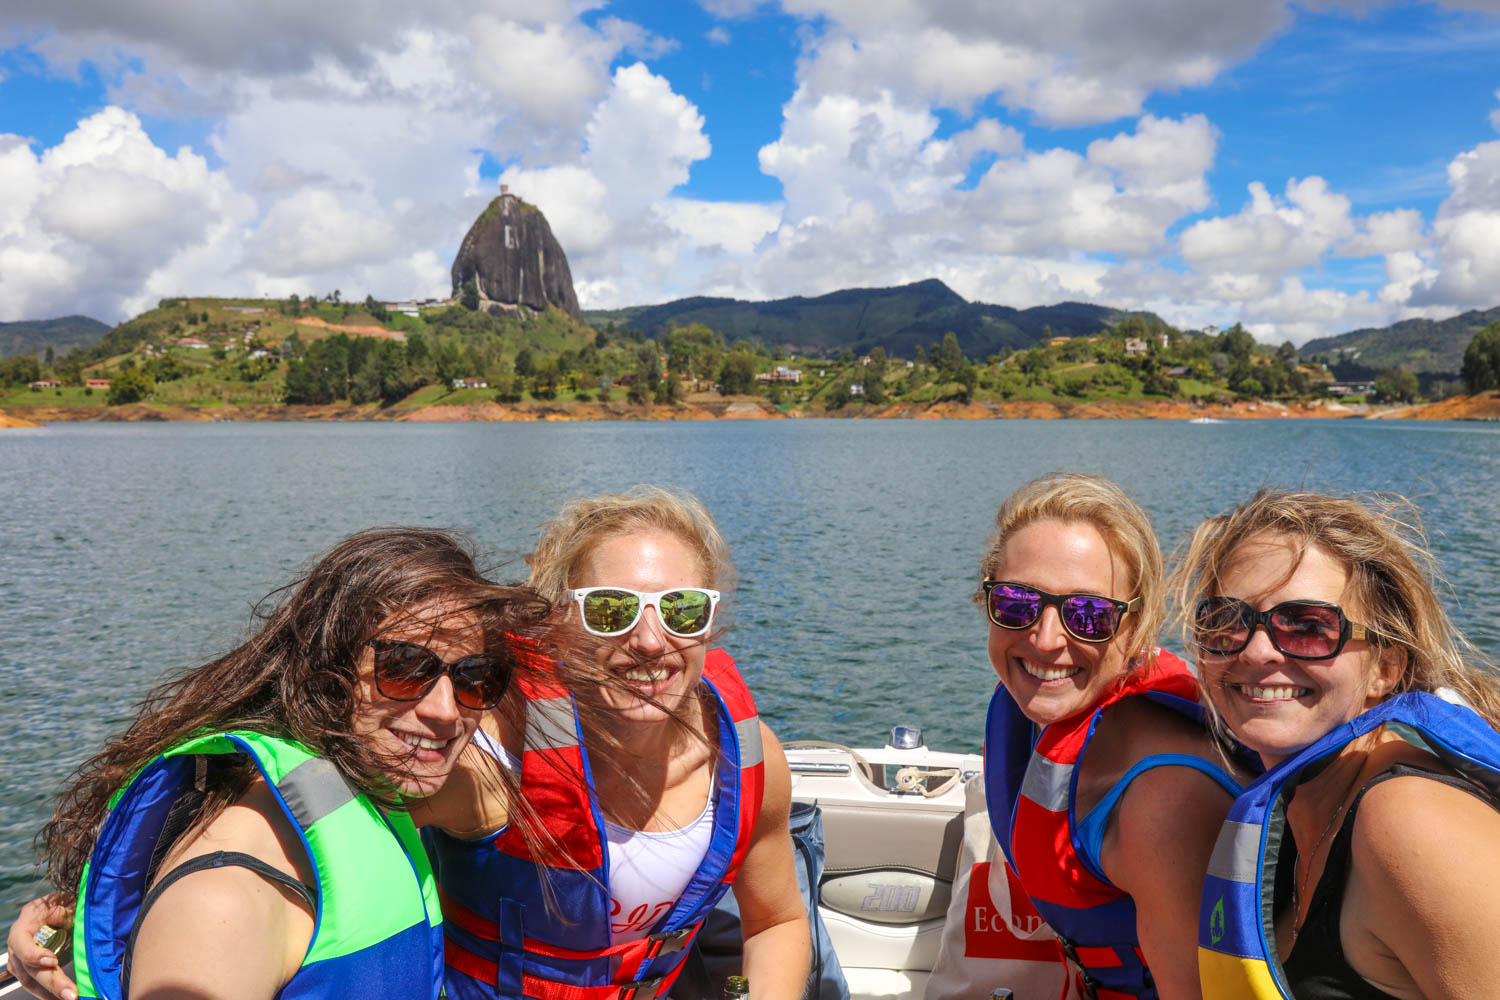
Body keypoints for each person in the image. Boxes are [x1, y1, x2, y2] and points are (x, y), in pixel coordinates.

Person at [6, 526, 578, 1000]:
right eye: (405, 668)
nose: (446, 711)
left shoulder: (354, 788)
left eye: (477, 679)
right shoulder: (226, 896)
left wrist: (61, 914)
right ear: (327, 673)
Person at [414, 485, 811, 1000]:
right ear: (558, 622)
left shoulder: (749, 760)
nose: (650, 639)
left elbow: (774, 922)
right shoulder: (487, 765)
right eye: (610, 610)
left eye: (682, 610)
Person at [1180, 489, 1500, 999]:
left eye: (1309, 626)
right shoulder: (1298, 801)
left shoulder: (1411, 822)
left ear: (1386, 668)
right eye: (1225, 622)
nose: (1258, 651)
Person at [978, 473, 1246, 999]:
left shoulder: (1164, 801)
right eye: (1016, 602)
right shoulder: (1038, 718)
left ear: (1137, 627)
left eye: (1089, 615)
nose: (1046, 639)